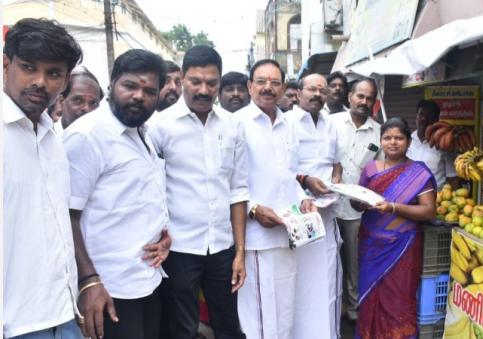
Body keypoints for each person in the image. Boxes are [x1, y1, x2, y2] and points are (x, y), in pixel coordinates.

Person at [63, 49, 172, 339]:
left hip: (146, 280)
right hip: (109, 289)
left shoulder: (142, 133)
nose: (139, 96)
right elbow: (65, 215)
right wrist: (89, 281)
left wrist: (163, 236)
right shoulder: (87, 136)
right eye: (130, 86)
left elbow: (134, 202)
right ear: (111, 86)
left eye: (149, 90)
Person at [148, 45, 247, 339]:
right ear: (181, 80)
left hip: (222, 247)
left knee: (228, 325)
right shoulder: (159, 127)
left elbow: (238, 190)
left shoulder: (232, 126)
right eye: (195, 81)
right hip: (178, 248)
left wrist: (239, 252)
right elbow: (152, 191)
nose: (204, 90)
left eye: (211, 83)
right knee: (182, 328)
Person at [3, 17, 83, 339]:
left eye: (53, 73)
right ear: (6, 64)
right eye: (28, 67)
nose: (40, 82)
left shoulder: (52, 137)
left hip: (63, 314)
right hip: (14, 324)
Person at [236, 59, 315, 339]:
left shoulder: (288, 124)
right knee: (258, 319)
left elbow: (289, 176)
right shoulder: (237, 124)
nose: (268, 88)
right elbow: (229, 184)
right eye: (261, 81)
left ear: (283, 87)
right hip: (256, 239)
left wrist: (303, 198)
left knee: (284, 313)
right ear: (249, 86)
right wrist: (254, 209)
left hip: (288, 234)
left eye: (274, 82)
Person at [351, 117, 436, 339]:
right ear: (380, 141)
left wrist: (393, 207)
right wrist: (357, 202)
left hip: (403, 245)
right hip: (371, 243)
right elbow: (358, 201)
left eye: (399, 138)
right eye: (387, 138)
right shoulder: (371, 169)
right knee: (371, 298)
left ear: (408, 142)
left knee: (399, 299)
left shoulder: (418, 173)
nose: (393, 142)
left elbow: (428, 211)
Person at [284, 73, 343, 339]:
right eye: (312, 89)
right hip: (301, 214)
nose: (318, 94)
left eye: (323, 89)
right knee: (302, 279)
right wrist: (305, 184)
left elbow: (337, 163)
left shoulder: (331, 124)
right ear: (298, 93)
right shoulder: (286, 123)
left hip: (328, 212)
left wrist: (337, 182)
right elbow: (281, 170)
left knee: (327, 279)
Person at [329, 78, 381, 323]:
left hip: (357, 211)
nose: (364, 101)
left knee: (353, 262)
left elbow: (381, 171)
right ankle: (329, 307)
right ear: (349, 96)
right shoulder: (331, 123)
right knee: (327, 260)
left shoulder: (378, 132)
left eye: (369, 98)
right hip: (326, 205)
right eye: (360, 96)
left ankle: (352, 311)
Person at [407, 99, 458, 190]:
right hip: (409, 198)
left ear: (436, 120)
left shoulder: (443, 145)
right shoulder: (407, 142)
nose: (424, 119)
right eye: (421, 114)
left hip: (435, 199)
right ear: (416, 117)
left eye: (429, 116)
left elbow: (452, 177)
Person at [56, 66, 104, 131]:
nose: (86, 108)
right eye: (78, 101)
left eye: (93, 103)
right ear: (61, 102)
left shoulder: (104, 139)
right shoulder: (45, 139)